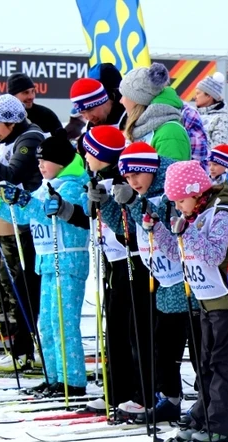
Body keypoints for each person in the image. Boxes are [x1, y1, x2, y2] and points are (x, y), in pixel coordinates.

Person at [153, 160, 228, 442]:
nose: (179, 206)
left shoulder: (221, 213)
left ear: (197, 192)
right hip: (205, 301)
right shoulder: (197, 213)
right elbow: (177, 251)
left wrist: (187, 231)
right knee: (204, 364)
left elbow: (215, 254)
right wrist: (157, 229)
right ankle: (204, 413)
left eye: (181, 200)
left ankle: (220, 422)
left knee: (223, 365)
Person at [0, 133, 90, 396]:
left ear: (59, 160)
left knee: (64, 323)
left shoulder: (71, 186)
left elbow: (46, 213)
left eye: (45, 160)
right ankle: (54, 376)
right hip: (47, 262)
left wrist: (25, 200)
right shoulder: (47, 184)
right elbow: (24, 215)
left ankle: (72, 380)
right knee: (46, 324)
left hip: (67, 261)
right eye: (38, 161)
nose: (40, 165)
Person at [107, 143, 192, 424]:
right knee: (160, 345)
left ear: (149, 171)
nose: (133, 183)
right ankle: (166, 396)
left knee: (175, 345)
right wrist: (110, 206)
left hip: (181, 279)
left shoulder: (170, 190)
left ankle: (185, 399)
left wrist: (133, 202)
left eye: (136, 176)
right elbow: (128, 227)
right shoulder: (144, 191)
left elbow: (168, 233)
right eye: (128, 178)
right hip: (159, 278)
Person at [83, 132, 155, 418]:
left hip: (134, 261)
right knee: (114, 328)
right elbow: (90, 217)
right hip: (112, 261)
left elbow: (133, 228)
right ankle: (116, 390)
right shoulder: (97, 179)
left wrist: (112, 204)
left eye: (88, 152)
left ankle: (141, 392)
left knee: (133, 329)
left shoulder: (123, 178)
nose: (85, 158)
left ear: (101, 154)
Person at [0, 94, 44, 369]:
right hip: (19, 218)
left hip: (30, 223)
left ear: (11, 122)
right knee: (24, 287)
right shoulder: (9, 140)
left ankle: (26, 350)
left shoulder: (30, 139)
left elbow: (10, 175)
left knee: (27, 288)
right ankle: (24, 348)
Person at [119, 63, 191, 161]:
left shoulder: (170, 133)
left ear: (137, 99)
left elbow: (170, 175)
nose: (121, 101)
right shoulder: (140, 129)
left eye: (124, 95)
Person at [69, 77, 127, 159]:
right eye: (82, 112)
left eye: (91, 110)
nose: (88, 117)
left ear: (104, 100)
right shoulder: (91, 125)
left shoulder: (128, 114)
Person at [195, 72, 228, 146]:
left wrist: (196, 131)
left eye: (198, 93)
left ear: (209, 96)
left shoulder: (222, 119)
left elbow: (219, 150)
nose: (195, 97)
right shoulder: (195, 115)